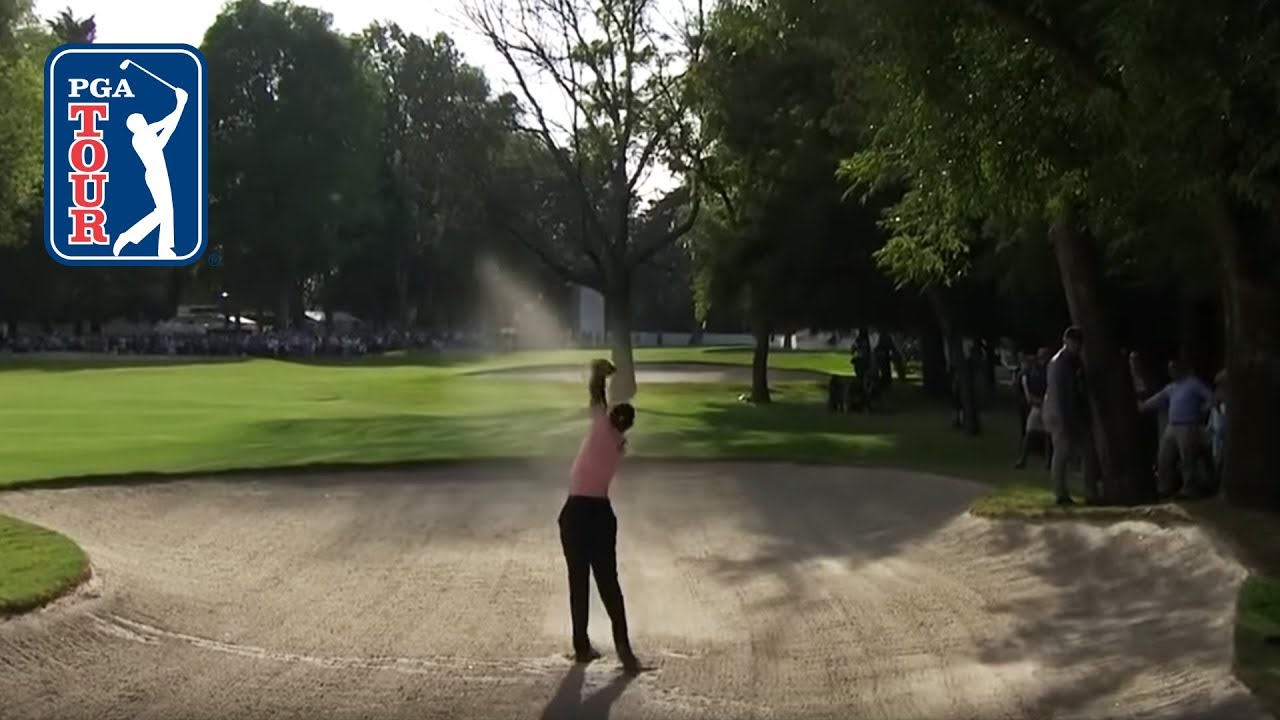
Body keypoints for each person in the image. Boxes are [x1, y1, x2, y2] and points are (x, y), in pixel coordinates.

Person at [558, 358, 641, 673]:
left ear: (611, 418)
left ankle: (581, 647)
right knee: (608, 583)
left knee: (578, 582)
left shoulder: (601, 428)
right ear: (627, 426)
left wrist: (599, 373)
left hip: (575, 513)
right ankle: (624, 649)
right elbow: (600, 403)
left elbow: (596, 395)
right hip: (600, 515)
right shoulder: (619, 444)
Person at [1043, 326, 1102, 505]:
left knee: (1088, 452)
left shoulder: (1073, 361)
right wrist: (1068, 422)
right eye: (1074, 342)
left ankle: (1090, 493)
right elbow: (1061, 396)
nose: (1077, 346)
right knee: (1062, 452)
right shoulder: (1059, 364)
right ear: (1066, 341)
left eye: (1078, 343)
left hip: (1073, 412)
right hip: (1059, 413)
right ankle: (1061, 493)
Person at [1138, 359, 1214, 499]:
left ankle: (1190, 489)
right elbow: (1157, 399)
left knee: (1188, 459)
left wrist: (1203, 411)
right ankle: (1165, 487)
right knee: (1164, 457)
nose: (1171, 372)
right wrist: (1142, 406)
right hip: (1172, 426)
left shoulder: (1193, 383)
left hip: (1189, 426)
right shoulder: (1171, 387)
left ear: (1181, 369)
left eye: (1174, 369)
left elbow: (1210, 397)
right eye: (1170, 369)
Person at [1015, 347, 1052, 469]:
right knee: (1030, 432)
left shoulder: (1049, 370)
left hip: (1047, 405)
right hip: (1037, 405)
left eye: (1044, 356)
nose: (1042, 358)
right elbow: (1026, 382)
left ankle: (1048, 461)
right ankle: (1023, 459)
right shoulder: (1034, 370)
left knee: (1048, 434)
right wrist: (1032, 398)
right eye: (1040, 356)